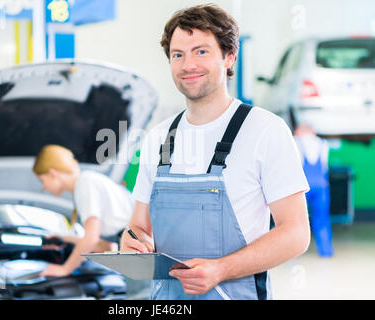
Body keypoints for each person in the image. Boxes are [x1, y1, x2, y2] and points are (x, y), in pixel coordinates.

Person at [120, 4, 311, 300]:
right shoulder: (158, 138)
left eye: (201, 52)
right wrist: (132, 242)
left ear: (229, 56)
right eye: (177, 55)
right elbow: (139, 226)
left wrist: (221, 269)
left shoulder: (264, 130)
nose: (188, 65)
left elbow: (296, 233)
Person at [32, 144, 133, 277]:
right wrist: (65, 239)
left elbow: (91, 239)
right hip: (135, 251)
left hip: (140, 251)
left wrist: (64, 269)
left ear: (53, 173)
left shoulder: (85, 184)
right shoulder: (87, 181)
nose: (44, 187)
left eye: (42, 180)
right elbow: (104, 248)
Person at [294, 124, 334, 257]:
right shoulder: (323, 143)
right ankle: (326, 252)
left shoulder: (295, 141)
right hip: (321, 186)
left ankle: (293, 252)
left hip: (302, 187)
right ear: (313, 131)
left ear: (298, 131)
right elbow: (324, 166)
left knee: (296, 221)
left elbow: (294, 166)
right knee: (322, 219)